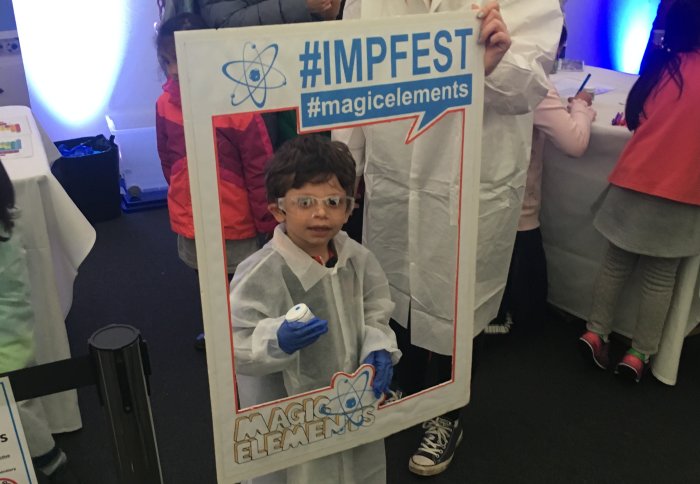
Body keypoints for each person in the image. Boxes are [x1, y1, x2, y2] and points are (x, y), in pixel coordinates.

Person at [334, 0, 562, 476]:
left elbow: (531, 86)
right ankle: (404, 385)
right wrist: (341, 170)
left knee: (459, 301)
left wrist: (494, 65)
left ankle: (447, 412)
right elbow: (351, 82)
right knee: (394, 290)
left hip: (470, 179)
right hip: (395, 172)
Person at [230, 134, 400, 484]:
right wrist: (275, 340)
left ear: (349, 208)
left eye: (333, 202)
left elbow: (376, 308)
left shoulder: (356, 259)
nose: (321, 213)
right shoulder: (261, 273)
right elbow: (234, 342)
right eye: (305, 202)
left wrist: (378, 344)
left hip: (353, 403)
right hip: (292, 417)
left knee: (358, 470)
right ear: (278, 209)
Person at [578, 0, 700, 383]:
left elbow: (638, 116)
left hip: (632, 182)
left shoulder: (664, 67)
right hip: (683, 193)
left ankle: (595, 332)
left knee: (615, 264)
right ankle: (639, 354)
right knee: (660, 279)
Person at [155, 13, 277, 349]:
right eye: (167, 61)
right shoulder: (165, 104)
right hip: (193, 219)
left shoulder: (236, 106)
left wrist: (266, 221)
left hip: (235, 222)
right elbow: (167, 157)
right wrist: (180, 196)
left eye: (180, 59)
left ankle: (246, 339)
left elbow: (260, 168)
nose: (173, 70)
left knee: (243, 284)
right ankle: (217, 334)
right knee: (206, 282)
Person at [486, 26, 596, 336]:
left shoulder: (484, 65)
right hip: (517, 207)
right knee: (528, 305)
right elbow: (574, 142)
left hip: (486, 194)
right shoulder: (533, 83)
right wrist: (581, 107)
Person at [0, 161, 80, 484]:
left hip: (7, 342)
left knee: (17, 405)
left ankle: (50, 460)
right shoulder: (8, 226)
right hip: (14, 334)